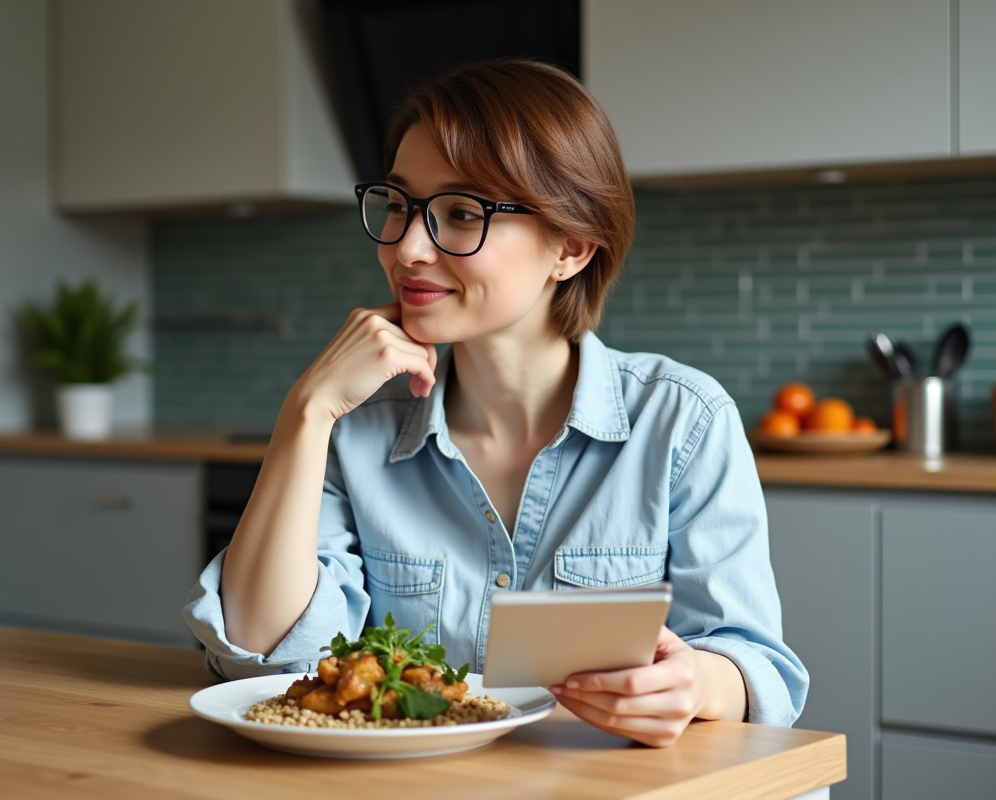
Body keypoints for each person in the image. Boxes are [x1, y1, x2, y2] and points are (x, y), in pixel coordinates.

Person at [184, 59, 807, 747]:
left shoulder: (682, 421)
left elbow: (758, 666)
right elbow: (264, 653)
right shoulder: (353, 432)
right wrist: (306, 412)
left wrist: (697, 684)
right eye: (399, 205)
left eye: (461, 214)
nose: (409, 247)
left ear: (570, 246)